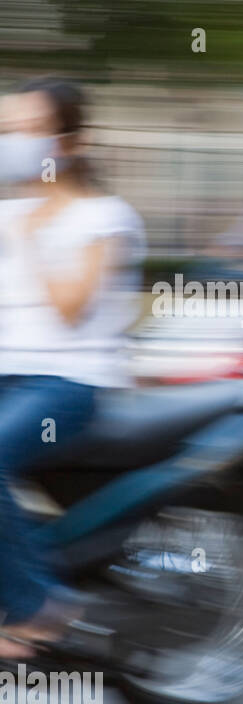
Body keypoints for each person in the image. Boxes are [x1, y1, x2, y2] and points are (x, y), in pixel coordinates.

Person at [0, 78, 145, 656]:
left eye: (30, 129)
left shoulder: (104, 216)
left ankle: (42, 604)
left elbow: (70, 309)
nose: (14, 142)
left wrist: (35, 239)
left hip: (68, 384)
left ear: (73, 140)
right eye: (7, 130)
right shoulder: (8, 214)